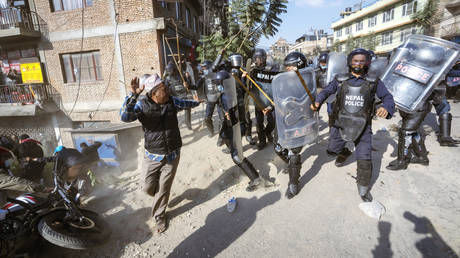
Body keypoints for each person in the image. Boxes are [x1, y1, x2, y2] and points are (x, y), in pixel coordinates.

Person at [311, 48, 395, 202]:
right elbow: (326, 91)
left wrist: (386, 107)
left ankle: (363, 189)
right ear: (350, 62)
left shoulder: (373, 81)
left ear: (367, 63)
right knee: (332, 150)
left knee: (364, 157)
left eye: (362, 61)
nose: (358, 64)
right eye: (355, 61)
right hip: (340, 123)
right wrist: (318, 101)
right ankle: (346, 148)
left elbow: (388, 97)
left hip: (363, 125)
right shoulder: (340, 79)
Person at [120, 73, 201, 233]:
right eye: (164, 88)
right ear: (153, 93)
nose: (167, 90)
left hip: (172, 155)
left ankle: (159, 215)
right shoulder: (141, 106)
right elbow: (125, 116)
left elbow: (185, 103)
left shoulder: (172, 102)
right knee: (147, 188)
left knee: (163, 189)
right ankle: (159, 196)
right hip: (152, 156)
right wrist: (133, 96)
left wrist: (197, 103)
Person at [215, 70, 262, 191]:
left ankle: (255, 179)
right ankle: (232, 147)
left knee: (236, 156)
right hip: (231, 126)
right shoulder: (231, 91)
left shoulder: (229, 96)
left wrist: (230, 115)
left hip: (236, 127)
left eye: (219, 83)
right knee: (229, 144)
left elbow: (236, 113)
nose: (217, 86)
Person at [274, 51, 313, 198]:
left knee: (294, 152)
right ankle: (290, 164)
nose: (287, 70)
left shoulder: (308, 81)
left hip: (299, 121)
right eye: (286, 68)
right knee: (278, 148)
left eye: (290, 67)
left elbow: (315, 97)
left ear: (298, 66)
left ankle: (293, 183)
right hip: (283, 120)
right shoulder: (283, 81)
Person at [244, 48, 277, 150]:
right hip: (258, 100)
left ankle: (268, 133)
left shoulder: (271, 69)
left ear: (264, 58)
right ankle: (262, 141)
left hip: (269, 100)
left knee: (272, 122)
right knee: (259, 122)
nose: (258, 61)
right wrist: (245, 77)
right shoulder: (252, 70)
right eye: (256, 58)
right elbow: (247, 85)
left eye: (260, 58)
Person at [163, 61, 197, 130]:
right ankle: (173, 127)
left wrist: (187, 81)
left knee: (187, 110)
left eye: (171, 70)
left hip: (184, 95)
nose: (170, 72)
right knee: (173, 112)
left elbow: (188, 84)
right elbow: (166, 88)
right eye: (168, 71)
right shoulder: (167, 79)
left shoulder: (181, 76)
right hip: (175, 97)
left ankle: (188, 125)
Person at [198, 60, 224, 137]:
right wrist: (188, 86)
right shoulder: (203, 78)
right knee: (207, 118)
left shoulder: (217, 75)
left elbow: (222, 88)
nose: (203, 69)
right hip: (210, 99)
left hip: (219, 99)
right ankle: (211, 131)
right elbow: (196, 86)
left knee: (222, 118)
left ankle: (221, 134)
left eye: (205, 67)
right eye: (202, 68)